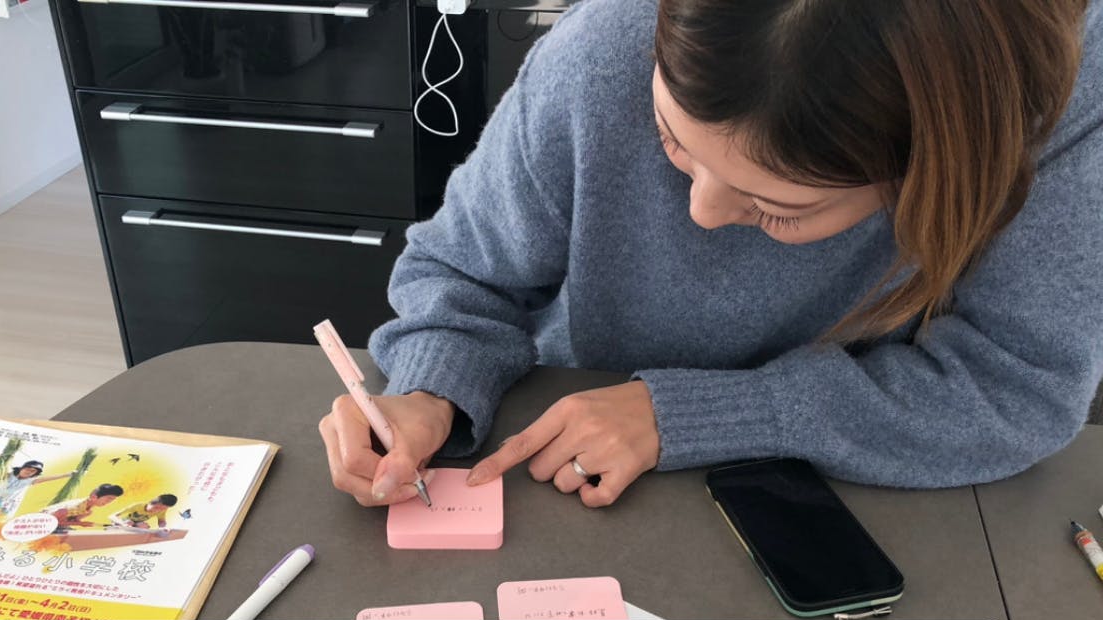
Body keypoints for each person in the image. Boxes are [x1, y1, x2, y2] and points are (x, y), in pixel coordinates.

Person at [321, 0, 1103, 508]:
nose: (700, 214)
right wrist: (431, 391)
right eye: (671, 141)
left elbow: (1019, 387)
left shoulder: (1050, 100)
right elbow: (462, 273)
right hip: (569, 454)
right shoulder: (602, 51)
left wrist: (700, 414)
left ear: (936, 168)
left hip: (866, 489)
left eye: (776, 208)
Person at [0, 460, 75, 516]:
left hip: (6, 507)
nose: (29, 472)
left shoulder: (30, 481)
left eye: (33, 471)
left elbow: (48, 478)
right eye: (28, 469)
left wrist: (67, 474)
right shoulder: (8, 475)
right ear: (22, 468)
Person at [43, 484, 125, 529]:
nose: (109, 502)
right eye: (108, 498)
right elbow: (54, 520)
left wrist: (80, 523)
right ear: (94, 497)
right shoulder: (76, 506)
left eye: (112, 500)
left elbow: (72, 521)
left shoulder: (88, 511)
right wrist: (80, 523)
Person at [109, 494, 177, 530]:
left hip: (136, 524)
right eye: (156, 507)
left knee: (144, 526)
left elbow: (161, 521)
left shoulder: (162, 510)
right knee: (130, 522)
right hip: (123, 521)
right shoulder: (137, 506)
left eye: (162, 509)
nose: (157, 511)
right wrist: (122, 523)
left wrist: (162, 528)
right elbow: (112, 516)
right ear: (151, 502)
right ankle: (117, 528)